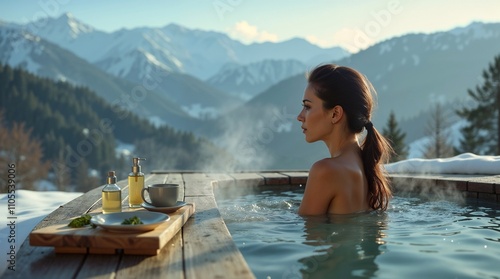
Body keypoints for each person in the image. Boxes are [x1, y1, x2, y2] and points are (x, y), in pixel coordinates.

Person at [297, 64, 392, 215]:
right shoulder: (367, 166)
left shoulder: (325, 171)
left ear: (335, 114)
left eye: (307, 107)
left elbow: (310, 235)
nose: (300, 117)